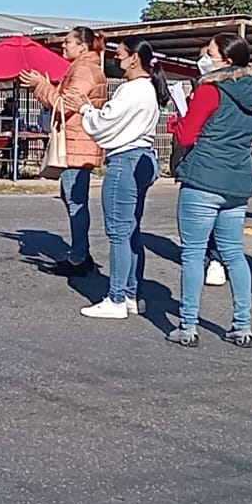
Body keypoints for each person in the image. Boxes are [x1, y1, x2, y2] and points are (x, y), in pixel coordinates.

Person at [168, 35, 252, 348]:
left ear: (224, 59)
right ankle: (242, 324)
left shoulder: (210, 90)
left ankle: (188, 324)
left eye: (208, 52)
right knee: (234, 254)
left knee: (193, 253)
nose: (203, 57)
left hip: (204, 177)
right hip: (237, 180)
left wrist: (176, 122)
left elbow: (187, 134)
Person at [64, 38, 167, 320]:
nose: (116, 60)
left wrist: (85, 108)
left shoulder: (132, 89)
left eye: (120, 55)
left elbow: (105, 123)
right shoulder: (148, 89)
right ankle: (132, 293)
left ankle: (117, 297)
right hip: (143, 156)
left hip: (125, 159)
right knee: (132, 230)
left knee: (119, 232)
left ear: (134, 58)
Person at [21, 27, 109, 276]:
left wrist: (40, 85)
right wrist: (46, 85)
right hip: (78, 141)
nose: (63, 46)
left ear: (82, 46)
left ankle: (79, 257)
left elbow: (64, 104)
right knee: (72, 198)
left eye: (68, 42)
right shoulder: (87, 67)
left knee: (75, 201)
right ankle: (80, 254)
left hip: (77, 143)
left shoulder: (83, 70)